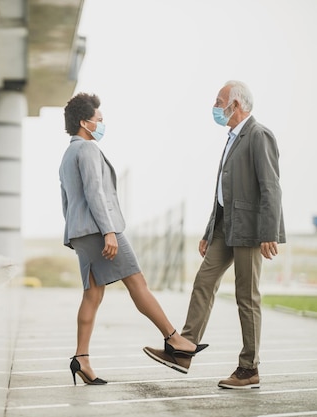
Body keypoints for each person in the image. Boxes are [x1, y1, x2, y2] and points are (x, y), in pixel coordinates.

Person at [143, 80, 285, 390]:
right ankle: (184, 348)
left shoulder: (258, 135)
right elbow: (223, 192)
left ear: (236, 105)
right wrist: (210, 230)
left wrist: (269, 232)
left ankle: (249, 369)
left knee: (246, 297)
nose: (215, 106)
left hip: (249, 229)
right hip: (225, 226)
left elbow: (270, 186)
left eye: (219, 101)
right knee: (203, 282)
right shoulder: (232, 138)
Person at [59, 93, 207, 385]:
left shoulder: (67, 154)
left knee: (93, 294)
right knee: (137, 282)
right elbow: (95, 193)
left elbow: (66, 201)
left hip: (82, 232)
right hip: (100, 230)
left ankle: (81, 359)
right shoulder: (87, 149)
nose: (102, 124)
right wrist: (109, 231)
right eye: (99, 120)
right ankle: (173, 339)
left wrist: (74, 235)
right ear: (83, 122)